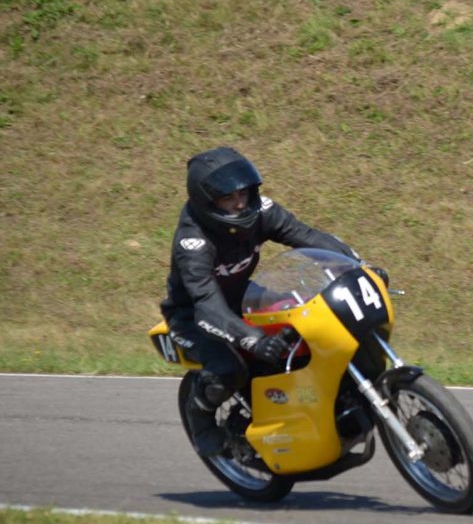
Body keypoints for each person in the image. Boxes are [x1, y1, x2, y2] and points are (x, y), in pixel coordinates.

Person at [161, 146, 377, 456]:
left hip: (244, 300)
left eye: (243, 193)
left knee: (309, 330)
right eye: (228, 198)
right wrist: (251, 340)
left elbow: (305, 235)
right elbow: (206, 302)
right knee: (228, 369)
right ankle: (202, 420)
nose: (240, 202)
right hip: (194, 316)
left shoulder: (259, 210)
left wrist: (360, 266)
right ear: (207, 202)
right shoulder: (192, 242)